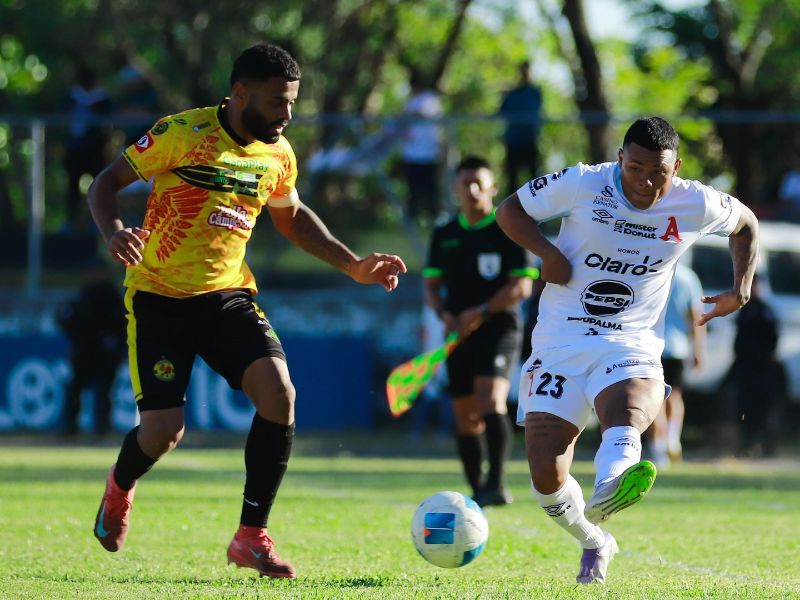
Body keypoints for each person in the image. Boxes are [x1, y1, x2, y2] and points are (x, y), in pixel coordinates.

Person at [86, 44, 407, 579]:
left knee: (280, 394)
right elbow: (105, 183)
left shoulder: (277, 154)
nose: (287, 114)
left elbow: (292, 217)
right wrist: (116, 231)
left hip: (228, 296)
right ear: (240, 95)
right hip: (160, 297)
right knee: (164, 431)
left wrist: (352, 266)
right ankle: (119, 485)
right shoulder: (180, 133)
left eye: (292, 102)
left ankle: (250, 535)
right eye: (278, 102)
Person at [496, 116, 759, 584]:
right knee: (544, 472)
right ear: (620, 158)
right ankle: (594, 539)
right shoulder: (581, 183)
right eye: (634, 168)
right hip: (560, 341)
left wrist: (740, 289)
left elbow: (746, 225)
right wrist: (547, 252)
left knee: (629, 404)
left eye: (657, 172)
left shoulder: (695, 201)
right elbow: (509, 211)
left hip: (630, 337)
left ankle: (614, 481)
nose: (645, 181)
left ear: (675, 167)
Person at [423, 156, 537, 507]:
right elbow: (432, 286)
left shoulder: (510, 228)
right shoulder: (444, 234)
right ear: (455, 188)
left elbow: (522, 287)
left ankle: (497, 483)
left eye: (479, 183)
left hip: (498, 327)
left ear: (493, 188)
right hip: (458, 333)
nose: (471, 190)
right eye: (465, 183)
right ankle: (477, 491)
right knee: (465, 415)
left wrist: (483, 310)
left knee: (491, 399)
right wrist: (443, 313)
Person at [56, 260, 126, 435]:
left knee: (105, 392)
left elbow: (123, 326)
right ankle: (71, 427)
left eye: (98, 272)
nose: (95, 276)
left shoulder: (114, 298)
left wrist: (117, 347)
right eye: (92, 272)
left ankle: (103, 427)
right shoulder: (83, 296)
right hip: (84, 352)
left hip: (106, 354)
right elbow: (67, 321)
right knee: (75, 390)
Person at [646, 261, 705, 467]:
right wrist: (698, 349)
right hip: (678, 347)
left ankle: (658, 448)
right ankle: (673, 437)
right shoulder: (688, 277)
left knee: (656, 400)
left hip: (652, 345)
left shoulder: (653, 271)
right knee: (676, 395)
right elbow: (695, 317)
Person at [733, 273, 780, 457]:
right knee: (745, 408)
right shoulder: (744, 309)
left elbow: (772, 341)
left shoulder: (764, 311)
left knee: (763, 410)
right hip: (745, 367)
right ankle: (747, 445)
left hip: (762, 369)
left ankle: (766, 446)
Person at [64, 66, 113, 230]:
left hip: (95, 150)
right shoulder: (71, 98)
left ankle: (98, 221)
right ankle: (71, 221)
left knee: (98, 185)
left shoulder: (102, 100)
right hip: (75, 150)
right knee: (73, 186)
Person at [399, 70, 443, 222]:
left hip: (428, 154)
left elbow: (422, 114)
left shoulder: (430, 98)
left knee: (430, 189)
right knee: (412, 189)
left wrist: (407, 115)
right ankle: (412, 219)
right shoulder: (411, 101)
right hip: (411, 154)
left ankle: (434, 218)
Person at [498, 61, 543, 196]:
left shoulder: (534, 92)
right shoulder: (512, 94)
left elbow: (535, 108)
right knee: (512, 180)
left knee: (535, 180)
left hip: (529, 139)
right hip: (514, 141)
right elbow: (502, 111)